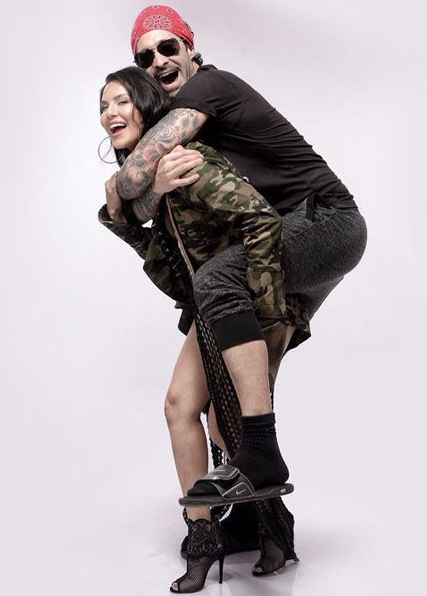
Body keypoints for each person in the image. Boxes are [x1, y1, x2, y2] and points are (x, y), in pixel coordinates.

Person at [115, 5, 367, 517]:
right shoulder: (188, 128)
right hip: (287, 239)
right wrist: (144, 191)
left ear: (190, 49)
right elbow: (142, 202)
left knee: (216, 278)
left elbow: (136, 175)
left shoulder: (210, 87)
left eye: (168, 47)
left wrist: (124, 184)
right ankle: (262, 527)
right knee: (227, 397)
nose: (158, 60)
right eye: (145, 57)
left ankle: (261, 450)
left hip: (325, 220)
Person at [98, 66, 308, 593]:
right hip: (208, 306)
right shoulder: (154, 182)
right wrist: (126, 218)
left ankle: (271, 526)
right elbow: (171, 269)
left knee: (223, 419)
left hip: (244, 299)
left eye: (121, 101)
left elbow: (262, 221)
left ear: (148, 107)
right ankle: (203, 534)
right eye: (103, 107)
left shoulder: (189, 160)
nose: (110, 114)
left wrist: (267, 306)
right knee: (179, 407)